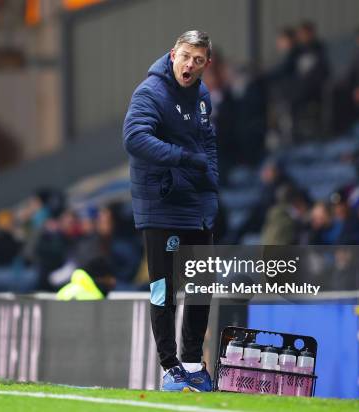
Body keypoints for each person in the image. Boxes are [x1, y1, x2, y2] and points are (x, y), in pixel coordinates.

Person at [123, 30, 219, 392]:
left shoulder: (202, 95)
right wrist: (181, 159)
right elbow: (134, 137)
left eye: (198, 60)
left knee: (201, 286)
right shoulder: (150, 92)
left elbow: (207, 142)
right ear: (173, 54)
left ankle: (193, 363)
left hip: (196, 205)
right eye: (185, 57)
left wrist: (211, 183)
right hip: (161, 206)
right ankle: (170, 367)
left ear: (206, 64)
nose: (190, 65)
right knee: (164, 288)